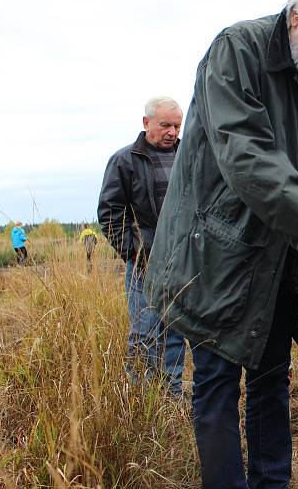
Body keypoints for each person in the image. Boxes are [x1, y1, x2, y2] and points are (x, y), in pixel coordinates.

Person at [144, 0, 298, 489]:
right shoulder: (236, 51)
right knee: (215, 386)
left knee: (273, 385)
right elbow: (243, 151)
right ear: (297, 16)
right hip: (218, 254)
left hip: (289, 258)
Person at [98, 97, 188, 396]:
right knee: (145, 331)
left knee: (177, 330)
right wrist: (135, 252)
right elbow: (110, 213)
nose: (172, 132)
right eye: (165, 125)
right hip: (145, 262)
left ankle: (172, 393)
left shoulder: (190, 156)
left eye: (177, 125)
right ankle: (140, 399)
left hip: (184, 261)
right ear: (146, 123)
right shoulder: (125, 161)